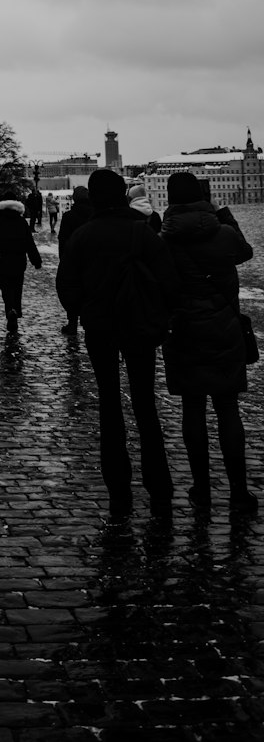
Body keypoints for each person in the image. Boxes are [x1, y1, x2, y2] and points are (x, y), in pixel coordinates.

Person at [56, 168, 178, 519]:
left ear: (94, 198)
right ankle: (158, 482)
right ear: (123, 197)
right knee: (144, 403)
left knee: (109, 402)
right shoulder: (142, 233)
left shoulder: (83, 236)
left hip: (101, 329)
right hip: (139, 326)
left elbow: (67, 284)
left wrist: (82, 312)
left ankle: (118, 484)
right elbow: (169, 281)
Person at [159, 171, 257, 516]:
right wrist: (225, 216)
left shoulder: (164, 240)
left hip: (185, 333)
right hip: (225, 331)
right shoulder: (225, 234)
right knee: (228, 408)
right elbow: (245, 252)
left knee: (193, 410)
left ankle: (201, 490)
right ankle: (239, 493)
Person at [0, 191, 42, 334]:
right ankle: (16, 309)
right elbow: (29, 243)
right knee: (17, 286)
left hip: (2, 259)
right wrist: (36, 261)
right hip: (19, 260)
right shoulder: (21, 221)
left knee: (5, 287)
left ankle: (10, 309)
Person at [56, 186, 91, 335]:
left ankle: (72, 323)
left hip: (73, 261)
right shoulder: (95, 214)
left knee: (72, 292)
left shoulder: (69, 216)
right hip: (92, 260)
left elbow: (63, 239)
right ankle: (90, 323)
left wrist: (63, 259)